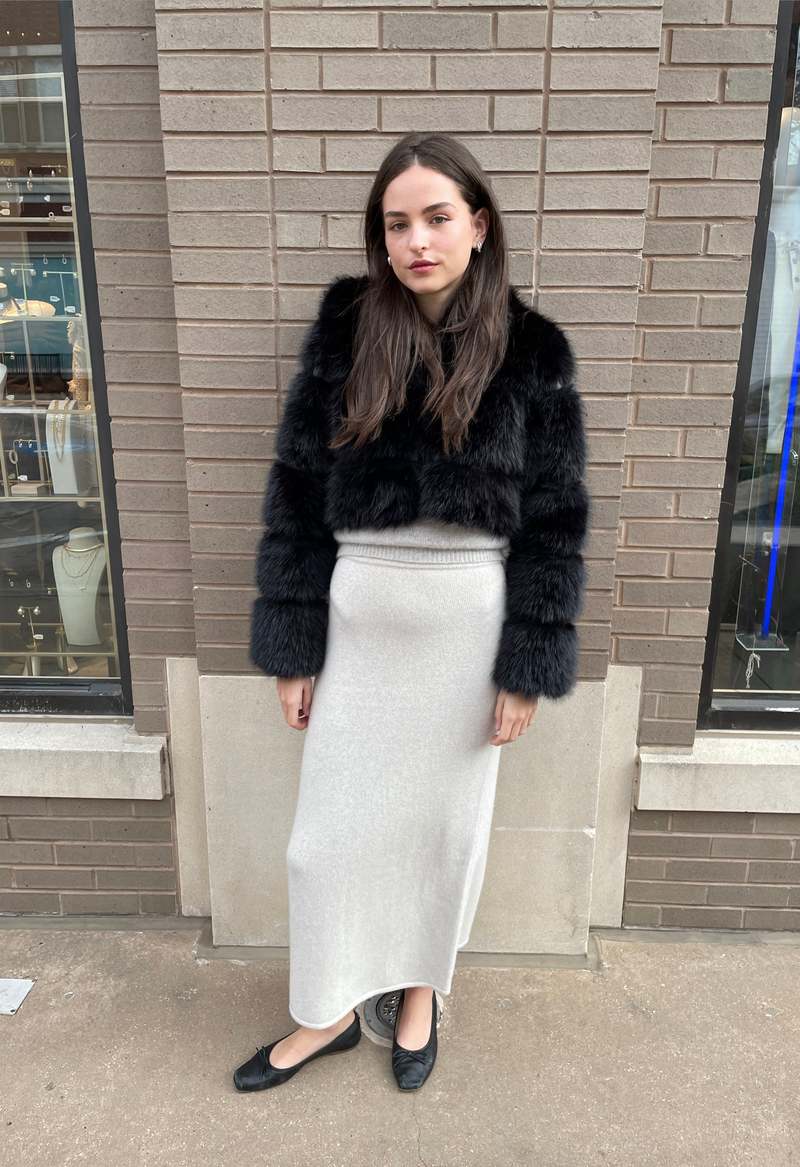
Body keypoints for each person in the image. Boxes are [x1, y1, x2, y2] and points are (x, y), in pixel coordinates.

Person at [233, 131, 589, 1094]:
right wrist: (293, 647)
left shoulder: (532, 351)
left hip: (468, 631)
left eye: (436, 217)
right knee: (324, 844)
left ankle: (421, 993)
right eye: (397, 224)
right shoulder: (347, 334)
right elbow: (297, 495)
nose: (416, 241)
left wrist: (526, 667)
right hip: (359, 626)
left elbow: (555, 521)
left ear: (480, 224)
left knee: (442, 834)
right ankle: (328, 1012)